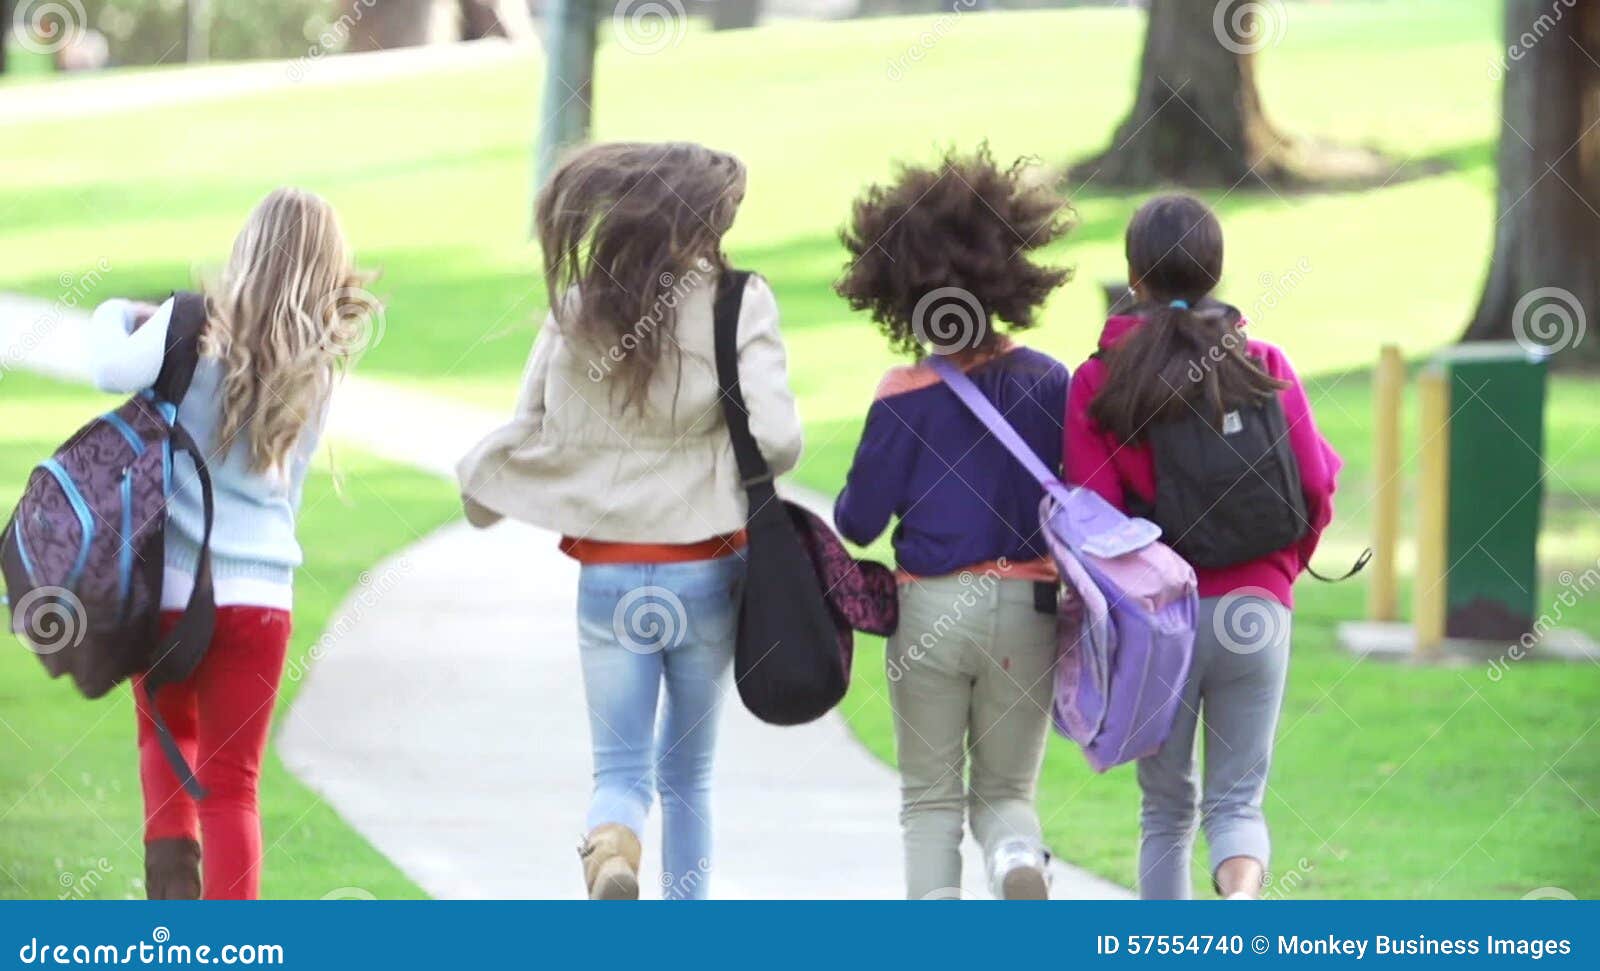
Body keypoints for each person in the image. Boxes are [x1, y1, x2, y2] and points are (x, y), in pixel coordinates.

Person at [457, 142, 803, 900]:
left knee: (617, 770)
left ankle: (611, 849)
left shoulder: (581, 304)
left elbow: (534, 419)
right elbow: (779, 438)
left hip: (610, 574)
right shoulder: (739, 300)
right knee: (689, 778)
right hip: (705, 569)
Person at [87, 187, 378, 899]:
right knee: (233, 789)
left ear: (247, 247)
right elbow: (294, 492)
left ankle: (174, 916)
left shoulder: (186, 324)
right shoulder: (318, 365)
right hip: (262, 601)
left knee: (164, 740)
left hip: (173, 592)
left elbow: (107, 369)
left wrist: (115, 313)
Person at [1063, 193, 1342, 899]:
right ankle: (1240, 906)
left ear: (1135, 274)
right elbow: (1313, 482)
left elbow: (1091, 516)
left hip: (1165, 621)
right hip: (1258, 605)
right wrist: (1280, 571)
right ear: (1215, 269)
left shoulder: (1100, 380)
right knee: (1237, 803)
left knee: (1165, 808)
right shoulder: (1262, 362)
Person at [832, 147, 1075, 899]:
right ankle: (1015, 862)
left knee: (930, 801)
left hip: (931, 610)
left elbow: (859, 522)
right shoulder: (1049, 380)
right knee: (1006, 795)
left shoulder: (902, 394)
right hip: (1030, 612)